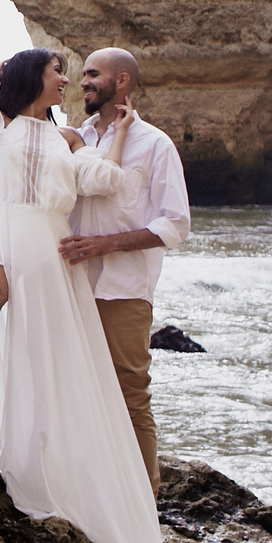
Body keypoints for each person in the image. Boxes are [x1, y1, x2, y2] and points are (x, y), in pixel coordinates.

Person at [0, 49, 185, 543]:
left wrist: (117, 135)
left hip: (56, 260)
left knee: (58, 369)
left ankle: (91, 483)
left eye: (81, 73)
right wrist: (14, 68)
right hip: (2, 240)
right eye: (59, 71)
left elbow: (111, 183)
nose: (71, 79)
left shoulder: (72, 138)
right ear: (36, 78)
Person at [57, 48, 191, 492]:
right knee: (74, 391)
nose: (83, 82)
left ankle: (145, 505)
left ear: (122, 82)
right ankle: (92, 496)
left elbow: (175, 224)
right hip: (71, 285)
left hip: (123, 290)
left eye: (93, 75)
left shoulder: (154, 144)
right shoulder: (75, 139)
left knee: (130, 393)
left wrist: (106, 244)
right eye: (83, 75)